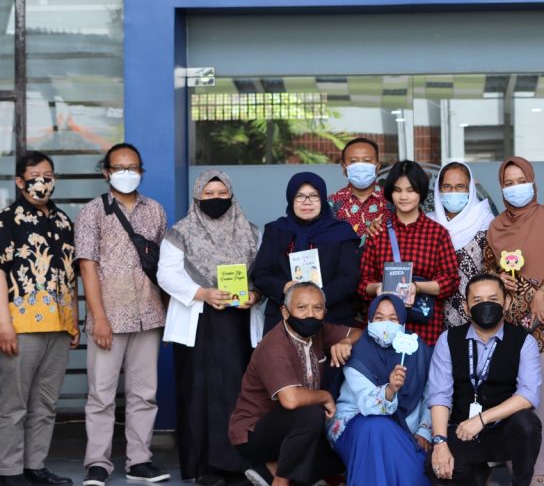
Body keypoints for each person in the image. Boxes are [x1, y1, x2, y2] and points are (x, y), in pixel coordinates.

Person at [157, 170, 261, 486]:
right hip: (199, 322)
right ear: (197, 196)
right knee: (198, 394)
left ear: (231, 195)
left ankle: (239, 465)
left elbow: (264, 273)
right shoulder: (180, 233)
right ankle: (203, 467)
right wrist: (202, 293)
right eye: (208, 194)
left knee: (239, 392)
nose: (216, 199)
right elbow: (166, 275)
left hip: (239, 323)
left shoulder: (251, 232)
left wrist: (255, 295)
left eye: (221, 193)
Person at [75, 143, 169, 486]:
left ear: (141, 171)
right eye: (119, 168)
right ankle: (97, 463)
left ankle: (139, 461)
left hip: (149, 315)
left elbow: (163, 266)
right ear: (106, 172)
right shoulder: (92, 212)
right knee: (101, 395)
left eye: (132, 167)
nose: (126, 173)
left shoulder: (156, 210)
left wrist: (168, 314)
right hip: (109, 318)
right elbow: (87, 267)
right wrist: (98, 318)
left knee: (144, 394)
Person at [484, 156, 544, 485]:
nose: (515, 188)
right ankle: (521, 467)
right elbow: (487, 270)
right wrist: (498, 278)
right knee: (514, 399)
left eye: (520, 181)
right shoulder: (495, 228)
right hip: (508, 326)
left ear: (533, 182)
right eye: (508, 183)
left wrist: (541, 293)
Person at [0, 151, 78, 486]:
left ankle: (34, 466)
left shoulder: (64, 221)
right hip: (21, 326)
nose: (42, 182)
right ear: (19, 181)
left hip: (60, 326)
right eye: (35, 176)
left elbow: (71, 275)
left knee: (45, 403)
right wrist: (3, 324)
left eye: (48, 175)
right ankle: (8, 471)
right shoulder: (4, 221)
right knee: (14, 403)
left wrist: (74, 320)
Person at [228, 282, 361, 486]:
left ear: (324, 312)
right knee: (311, 415)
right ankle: (280, 481)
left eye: (317, 308)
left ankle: (267, 470)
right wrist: (325, 397)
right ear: (285, 312)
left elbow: (359, 333)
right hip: (254, 432)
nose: (310, 314)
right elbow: (290, 400)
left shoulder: (319, 331)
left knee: (337, 459)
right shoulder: (274, 346)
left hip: (294, 429)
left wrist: (346, 342)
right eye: (301, 307)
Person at [426, 273, 542, 486]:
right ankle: (478, 475)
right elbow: (440, 396)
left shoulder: (524, 342)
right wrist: (440, 443)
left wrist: (482, 419)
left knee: (527, 424)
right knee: (441, 471)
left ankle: (521, 483)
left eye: (493, 299)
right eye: (478, 300)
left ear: (506, 302)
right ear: (466, 306)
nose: (486, 305)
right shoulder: (448, 340)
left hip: (503, 430)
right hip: (462, 429)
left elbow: (528, 395)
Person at [328, 294, 433, 486]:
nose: (386, 325)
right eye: (379, 318)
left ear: (403, 323)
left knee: (385, 439)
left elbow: (430, 396)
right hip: (354, 421)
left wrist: (424, 431)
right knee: (377, 427)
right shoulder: (357, 351)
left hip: (407, 427)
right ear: (369, 320)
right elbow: (369, 405)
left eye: (393, 319)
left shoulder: (418, 350)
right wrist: (390, 389)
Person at [358, 160, 459, 345]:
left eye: (411, 190)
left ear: (421, 192)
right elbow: (363, 283)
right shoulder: (378, 232)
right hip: (383, 328)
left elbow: (450, 281)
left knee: (420, 363)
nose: (404, 196)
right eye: (398, 190)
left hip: (423, 328)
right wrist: (379, 287)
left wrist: (417, 287)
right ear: (390, 193)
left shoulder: (437, 233)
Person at [252, 171, 360, 333]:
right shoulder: (276, 230)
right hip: (283, 319)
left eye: (314, 196)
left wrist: (316, 299)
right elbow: (261, 274)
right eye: (300, 196)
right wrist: (284, 287)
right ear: (291, 199)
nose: (307, 202)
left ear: (322, 199)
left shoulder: (341, 232)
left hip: (331, 317)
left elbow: (348, 278)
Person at [426, 160, 494, 328]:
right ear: (438, 190)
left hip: (476, 310)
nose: (453, 192)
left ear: (470, 189)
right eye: (447, 187)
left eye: (460, 187)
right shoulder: (427, 223)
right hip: (433, 313)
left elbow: (493, 267)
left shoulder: (485, 221)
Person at [329, 137, 389, 243]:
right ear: (344, 168)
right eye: (353, 161)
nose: (360, 166)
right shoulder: (332, 203)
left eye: (367, 160)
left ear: (378, 167)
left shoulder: (391, 200)